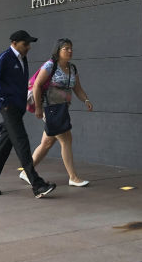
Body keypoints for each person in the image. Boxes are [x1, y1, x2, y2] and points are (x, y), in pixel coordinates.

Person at [0, 30, 56, 198]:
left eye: (29, 44)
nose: (28, 47)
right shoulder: (4, 57)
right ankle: (37, 184)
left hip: (18, 108)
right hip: (9, 108)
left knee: (4, 147)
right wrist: (3, 101)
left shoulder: (22, 59)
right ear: (14, 43)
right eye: (25, 44)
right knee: (22, 143)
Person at [20, 38, 94, 187]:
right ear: (58, 50)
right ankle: (73, 177)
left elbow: (77, 88)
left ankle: (27, 171)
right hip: (49, 109)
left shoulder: (72, 68)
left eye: (71, 48)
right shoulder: (50, 65)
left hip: (62, 109)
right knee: (66, 139)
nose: (70, 51)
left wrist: (86, 100)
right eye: (66, 48)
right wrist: (39, 108)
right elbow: (37, 86)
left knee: (46, 143)